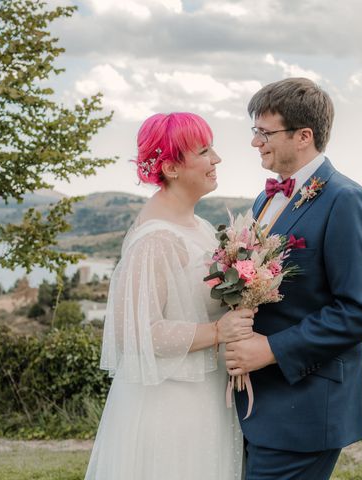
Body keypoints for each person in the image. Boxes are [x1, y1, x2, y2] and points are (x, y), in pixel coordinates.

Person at [225, 78, 362, 479]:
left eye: (264, 132)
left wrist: (272, 350)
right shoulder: (266, 199)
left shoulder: (346, 200)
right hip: (257, 402)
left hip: (306, 409)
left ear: (304, 136)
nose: (255, 142)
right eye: (254, 131)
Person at [85, 112, 252, 480]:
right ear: (171, 168)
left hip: (206, 395)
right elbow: (135, 332)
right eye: (205, 151)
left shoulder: (201, 227)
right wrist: (218, 333)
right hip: (173, 405)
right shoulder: (156, 240)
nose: (217, 159)